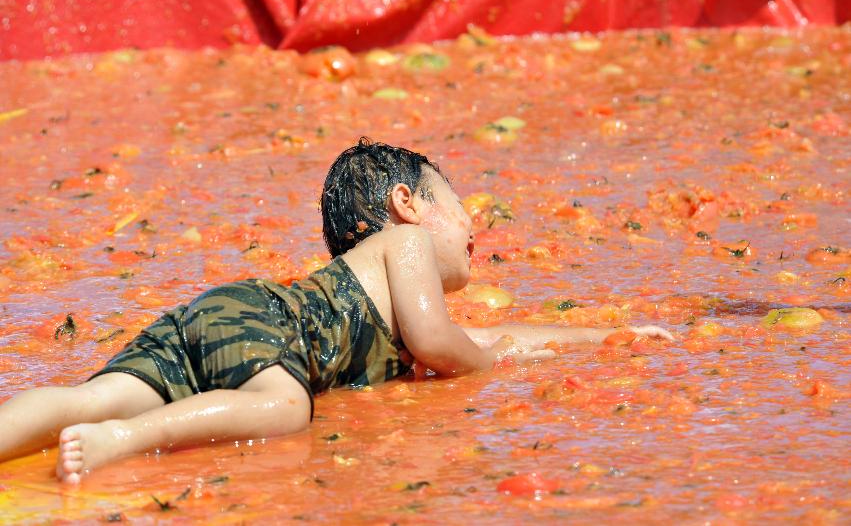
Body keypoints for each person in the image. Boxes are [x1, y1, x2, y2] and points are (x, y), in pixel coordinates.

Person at [0, 138, 672, 483]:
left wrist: (608, 335)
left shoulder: (390, 294)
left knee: (92, 397)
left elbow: (495, 334)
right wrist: (483, 363)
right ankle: (124, 442)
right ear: (406, 204)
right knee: (286, 408)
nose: (474, 228)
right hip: (266, 324)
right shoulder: (404, 244)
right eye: (458, 204)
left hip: (221, 323)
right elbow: (445, 344)